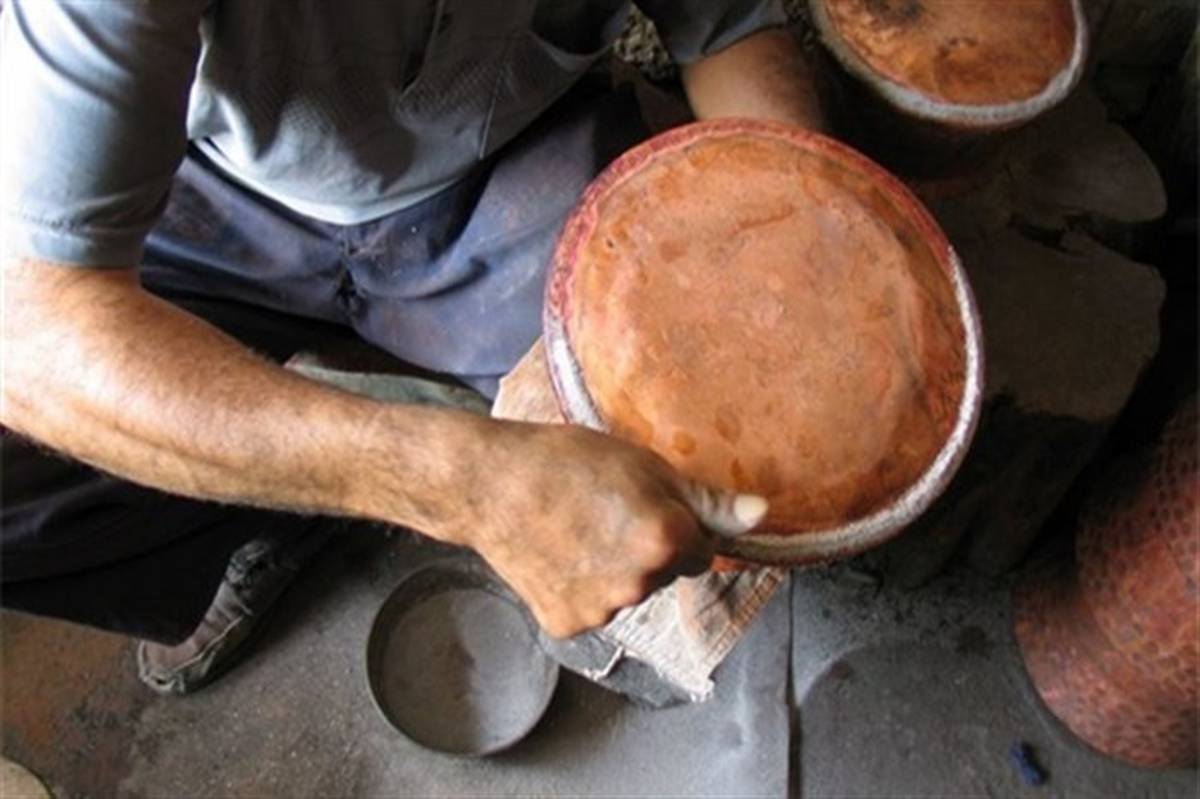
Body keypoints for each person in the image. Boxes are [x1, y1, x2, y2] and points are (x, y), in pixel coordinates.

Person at [0, 0, 825, 695]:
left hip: (512, 167)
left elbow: (729, 31)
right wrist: (459, 483)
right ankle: (274, 505)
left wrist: (792, 263)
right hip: (230, 193)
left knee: (680, 486)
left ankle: (316, 457)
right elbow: (35, 330)